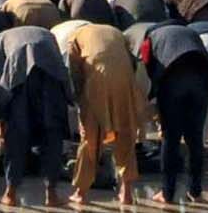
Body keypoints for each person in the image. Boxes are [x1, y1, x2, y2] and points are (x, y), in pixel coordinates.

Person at [62, 22, 146, 207]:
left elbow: (74, 74)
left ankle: (81, 192)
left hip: (97, 79)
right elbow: (131, 61)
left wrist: (80, 105)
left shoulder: (75, 36)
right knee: (126, 134)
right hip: (125, 81)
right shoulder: (116, 31)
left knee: (90, 139)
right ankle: (127, 192)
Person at [0, 24, 73, 209]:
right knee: (52, 137)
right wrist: (69, 97)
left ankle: (10, 193)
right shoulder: (47, 33)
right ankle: (51, 194)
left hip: (19, 84)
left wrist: (0, 116)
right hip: (50, 83)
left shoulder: (0, 37)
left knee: (17, 138)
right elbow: (59, 65)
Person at [144, 25, 208, 205]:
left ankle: (167, 193)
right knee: (195, 139)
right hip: (202, 81)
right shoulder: (191, 32)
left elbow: (148, 65)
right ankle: (196, 191)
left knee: (171, 138)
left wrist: (154, 97)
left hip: (173, 81)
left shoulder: (151, 36)